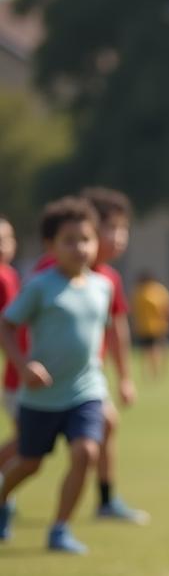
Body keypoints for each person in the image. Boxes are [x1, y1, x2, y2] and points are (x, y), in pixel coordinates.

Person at [0, 199, 112, 553]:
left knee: (86, 452)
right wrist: (22, 365)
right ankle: (3, 497)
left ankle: (60, 528)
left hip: (86, 390)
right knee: (29, 463)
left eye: (86, 239)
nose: (79, 247)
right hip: (42, 396)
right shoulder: (38, 286)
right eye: (69, 240)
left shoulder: (102, 287)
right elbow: (6, 324)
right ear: (50, 246)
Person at [35, 188, 150, 523]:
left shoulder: (108, 279)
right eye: (109, 228)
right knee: (28, 454)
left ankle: (104, 500)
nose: (117, 237)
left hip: (85, 379)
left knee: (104, 424)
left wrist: (126, 378)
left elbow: (116, 329)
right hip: (44, 379)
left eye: (123, 229)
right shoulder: (52, 271)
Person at [0, 217, 21, 477]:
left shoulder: (11, 275)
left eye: (5, 240)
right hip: (18, 372)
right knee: (28, 441)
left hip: (19, 368)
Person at [131, 271, 169, 380]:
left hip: (155, 326)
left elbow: (168, 307)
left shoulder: (153, 290)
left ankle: (155, 371)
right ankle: (153, 371)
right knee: (149, 350)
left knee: (154, 349)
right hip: (148, 326)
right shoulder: (141, 291)